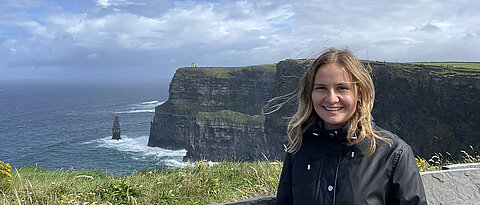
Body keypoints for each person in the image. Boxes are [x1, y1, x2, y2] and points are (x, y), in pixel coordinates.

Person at [275, 48, 427, 204]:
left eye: (342, 88)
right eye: (321, 88)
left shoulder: (393, 154)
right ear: (310, 94)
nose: (331, 98)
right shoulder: (298, 149)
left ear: (359, 93)